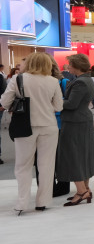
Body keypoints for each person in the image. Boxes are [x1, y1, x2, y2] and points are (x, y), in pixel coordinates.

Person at [0, 52, 63, 214]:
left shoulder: (18, 79)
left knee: (23, 165)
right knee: (46, 165)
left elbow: (4, 102)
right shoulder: (53, 81)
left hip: (24, 126)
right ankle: (43, 201)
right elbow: (59, 106)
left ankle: (22, 202)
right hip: (49, 126)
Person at [56, 54, 94, 206]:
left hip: (75, 122)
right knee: (83, 155)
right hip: (81, 120)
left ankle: (82, 191)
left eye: (70, 65)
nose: (68, 67)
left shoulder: (80, 82)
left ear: (76, 66)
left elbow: (72, 104)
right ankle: (85, 188)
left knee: (73, 155)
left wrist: (55, 101)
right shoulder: (87, 80)